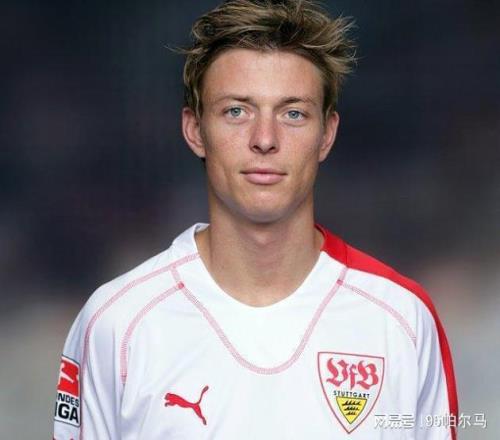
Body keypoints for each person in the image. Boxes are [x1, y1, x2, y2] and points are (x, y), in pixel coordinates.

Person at [53, 0, 458, 438]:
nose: (265, 139)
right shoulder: (117, 323)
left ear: (327, 134)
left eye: (293, 113)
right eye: (236, 111)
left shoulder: (401, 318)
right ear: (195, 130)